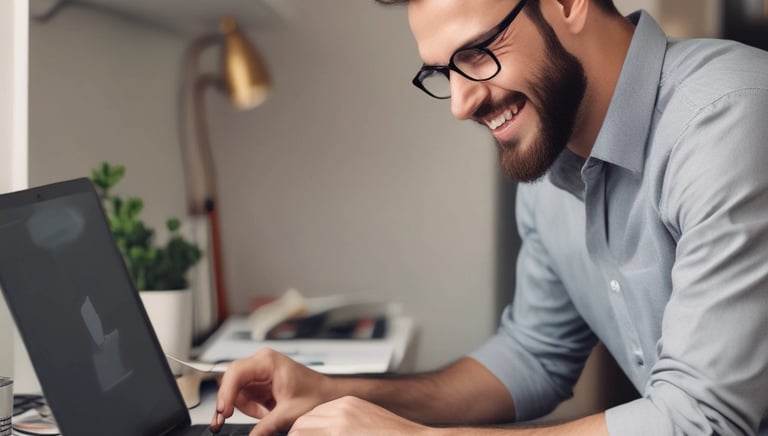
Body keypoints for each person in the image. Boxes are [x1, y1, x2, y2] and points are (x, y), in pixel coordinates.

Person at [212, 0, 768, 434]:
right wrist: (340, 395)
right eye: (440, 73)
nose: (459, 104)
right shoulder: (551, 157)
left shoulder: (728, 117)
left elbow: (705, 420)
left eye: (477, 52)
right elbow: (534, 355)